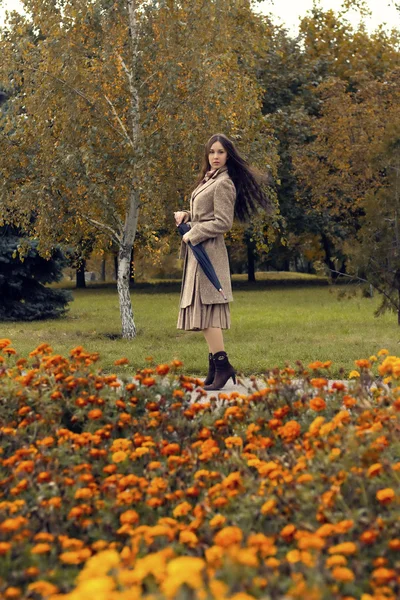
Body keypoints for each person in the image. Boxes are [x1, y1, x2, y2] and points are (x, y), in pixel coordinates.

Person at [174, 133, 273, 391]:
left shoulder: (224, 183)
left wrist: (192, 233)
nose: (215, 157)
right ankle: (214, 368)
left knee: (208, 314)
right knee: (205, 313)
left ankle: (222, 366)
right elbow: (204, 214)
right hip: (199, 253)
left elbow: (223, 222)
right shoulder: (208, 180)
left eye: (220, 152)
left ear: (228, 155)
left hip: (210, 254)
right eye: (211, 152)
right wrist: (187, 214)